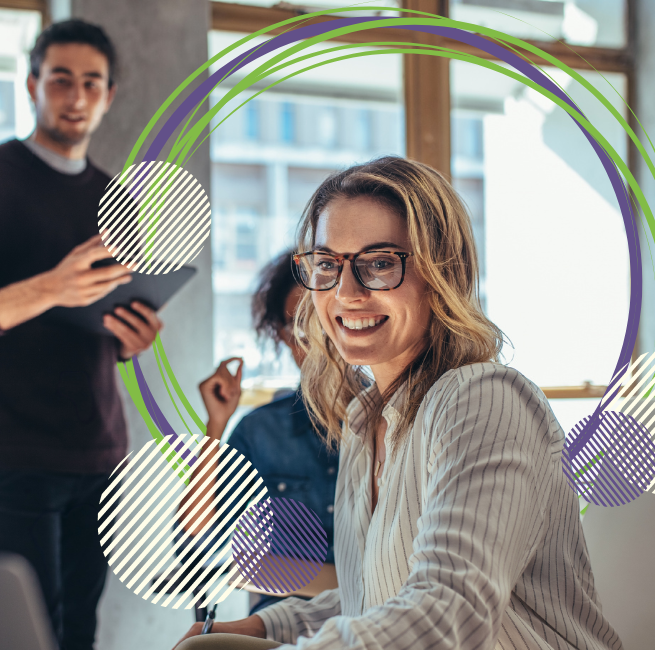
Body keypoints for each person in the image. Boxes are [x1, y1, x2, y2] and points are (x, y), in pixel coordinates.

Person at [172, 156, 622, 649]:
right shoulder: (364, 422)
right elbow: (372, 596)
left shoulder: (486, 400)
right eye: (327, 264)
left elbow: (449, 611)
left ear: (440, 272)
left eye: (380, 263)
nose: (346, 293)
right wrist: (265, 626)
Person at [0, 19, 160, 650]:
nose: (75, 97)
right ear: (31, 85)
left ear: (108, 96)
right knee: (27, 634)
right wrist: (50, 286)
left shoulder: (114, 196)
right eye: (60, 80)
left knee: (80, 630)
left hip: (102, 449)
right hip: (19, 451)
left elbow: (102, 327)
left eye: (91, 83)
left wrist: (131, 338)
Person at [183, 250, 339, 615]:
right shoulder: (260, 431)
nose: (315, 341)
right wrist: (215, 426)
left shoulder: (395, 420)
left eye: (323, 321)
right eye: (298, 329)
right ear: (283, 338)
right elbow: (195, 541)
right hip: (280, 625)